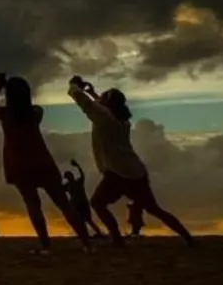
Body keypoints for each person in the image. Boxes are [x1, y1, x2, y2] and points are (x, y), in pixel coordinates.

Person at [69, 76, 195, 246]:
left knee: (98, 203)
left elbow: (86, 103)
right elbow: (100, 105)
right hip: (136, 171)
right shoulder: (123, 121)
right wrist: (92, 91)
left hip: (117, 172)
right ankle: (188, 238)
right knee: (154, 209)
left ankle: (116, 239)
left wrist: (74, 85)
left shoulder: (105, 118)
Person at [0, 74, 91, 252]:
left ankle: (45, 245)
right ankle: (87, 244)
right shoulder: (35, 113)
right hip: (42, 162)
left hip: (19, 165)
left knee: (33, 205)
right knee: (64, 204)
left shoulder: (5, 114)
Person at [63, 162, 99, 236]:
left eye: (68, 176)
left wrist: (78, 166)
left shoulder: (78, 182)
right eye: (67, 176)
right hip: (75, 204)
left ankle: (98, 233)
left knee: (88, 220)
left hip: (83, 203)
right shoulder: (67, 185)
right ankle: (84, 234)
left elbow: (82, 174)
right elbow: (59, 189)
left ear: (72, 176)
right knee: (80, 221)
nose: (68, 177)